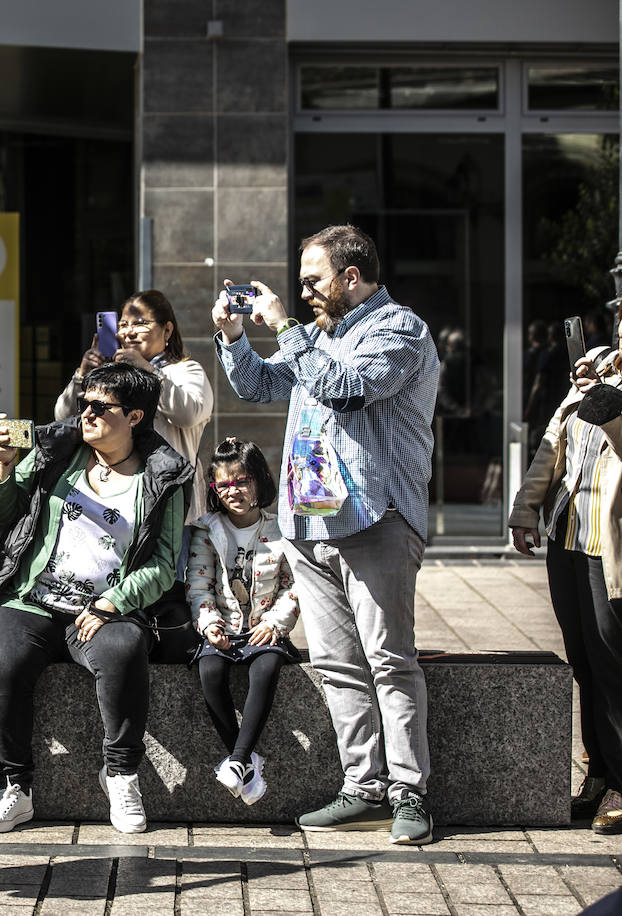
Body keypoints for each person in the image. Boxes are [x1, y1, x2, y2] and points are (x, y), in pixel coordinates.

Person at [211, 223, 440, 846]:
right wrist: (234, 338)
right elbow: (259, 385)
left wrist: (285, 327)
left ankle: (409, 793)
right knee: (338, 665)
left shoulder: (400, 330)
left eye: (314, 279)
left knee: (389, 660)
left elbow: (347, 388)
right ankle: (361, 788)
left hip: (377, 521)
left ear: (351, 277)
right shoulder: (314, 336)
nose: (304, 290)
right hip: (309, 523)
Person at [0, 362, 191, 835]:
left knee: (123, 648)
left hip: (103, 608)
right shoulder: (57, 452)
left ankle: (122, 775)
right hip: (34, 598)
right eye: (83, 403)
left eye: (99, 406)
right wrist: (4, 465)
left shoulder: (164, 477)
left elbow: (164, 565)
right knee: (2, 660)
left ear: (134, 417)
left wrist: (112, 603)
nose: (85, 413)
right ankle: (15, 788)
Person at [509, 342, 622, 834]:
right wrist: (525, 510)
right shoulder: (594, 367)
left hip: (610, 545)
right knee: (583, 661)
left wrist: (608, 411)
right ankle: (599, 772)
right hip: (569, 538)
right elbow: (552, 446)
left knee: (613, 662)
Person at [186, 438, 300, 806]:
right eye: (223, 484)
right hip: (223, 628)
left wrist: (276, 623)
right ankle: (245, 763)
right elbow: (199, 584)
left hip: (265, 627)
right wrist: (209, 625)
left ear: (258, 481)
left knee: (266, 667)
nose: (232, 490)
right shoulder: (207, 529)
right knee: (210, 673)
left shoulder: (281, 529)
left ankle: (237, 760)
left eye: (241, 481)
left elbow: (294, 585)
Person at [57, 290, 213, 521]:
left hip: (169, 502)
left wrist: (150, 372)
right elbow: (63, 418)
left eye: (140, 323)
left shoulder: (185, 370)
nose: (128, 332)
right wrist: (83, 375)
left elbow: (188, 414)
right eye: (123, 324)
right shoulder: (112, 378)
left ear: (167, 330)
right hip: (117, 501)